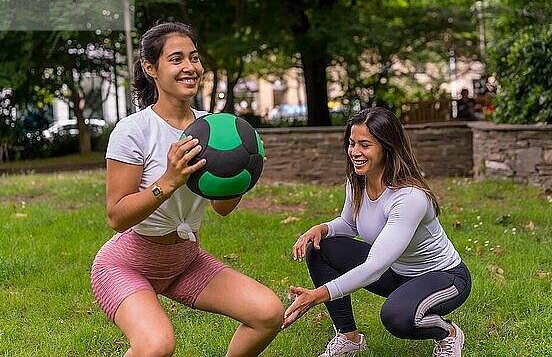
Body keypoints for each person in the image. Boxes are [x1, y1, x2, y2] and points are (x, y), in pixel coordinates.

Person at [90, 21, 284, 357]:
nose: (189, 67)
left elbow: (222, 208)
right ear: (151, 68)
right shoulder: (134, 130)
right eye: (176, 59)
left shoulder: (213, 127)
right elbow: (116, 217)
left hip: (185, 261)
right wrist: (168, 181)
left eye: (193, 58)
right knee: (157, 346)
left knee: (268, 313)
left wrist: (242, 170)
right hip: (126, 264)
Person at [281, 107, 471, 357]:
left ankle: (449, 333)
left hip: (443, 278)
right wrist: (323, 229)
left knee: (397, 317)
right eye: (351, 143)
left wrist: (317, 295)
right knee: (321, 249)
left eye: (365, 145)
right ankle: (349, 338)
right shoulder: (358, 181)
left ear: (387, 147)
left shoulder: (410, 197)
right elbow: (349, 225)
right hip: (397, 275)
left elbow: (374, 267)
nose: (355, 152)